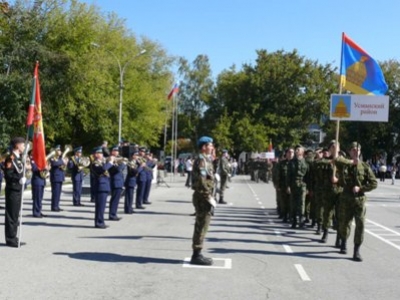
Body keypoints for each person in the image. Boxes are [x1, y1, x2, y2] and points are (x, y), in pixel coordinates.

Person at [334, 142, 377, 262]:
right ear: (349, 152)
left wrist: (361, 188)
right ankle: (343, 241)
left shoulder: (364, 166)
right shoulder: (343, 164)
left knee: (360, 224)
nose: (355, 151)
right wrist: (350, 162)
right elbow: (336, 159)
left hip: (359, 200)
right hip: (346, 198)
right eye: (353, 150)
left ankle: (356, 251)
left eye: (357, 150)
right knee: (344, 223)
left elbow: (374, 183)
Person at [190, 136, 215, 266]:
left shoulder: (206, 160)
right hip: (202, 197)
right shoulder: (202, 160)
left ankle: (198, 252)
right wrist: (208, 197)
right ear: (204, 147)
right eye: (210, 145)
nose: (212, 148)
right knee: (201, 225)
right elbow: (201, 180)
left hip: (204, 196)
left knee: (203, 225)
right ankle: (196, 254)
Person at [3, 137, 29, 247]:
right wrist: (18, 180)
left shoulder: (18, 158)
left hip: (18, 190)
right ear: (17, 146)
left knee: (15, 215)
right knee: (11, 215)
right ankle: (10, 239)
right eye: (23, 145)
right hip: (12, 190)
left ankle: (14, 236)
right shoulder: (10, 158)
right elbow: (8, 175)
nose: (24, 147)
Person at [91, 146, 114, 228]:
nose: (101, 155)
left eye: (101, 153)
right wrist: (110, 162)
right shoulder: (95, 163)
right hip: (100, 186)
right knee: (100, 206)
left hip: (105, 186)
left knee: (102, 206)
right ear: (95, 154)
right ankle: (98, 223)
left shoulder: (102, 162)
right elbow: (104, 169)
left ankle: (101, 221)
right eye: (99, 153)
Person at [287, 145, 309, 229]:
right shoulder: (291, 162)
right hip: (293, 184)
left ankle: (301, 220)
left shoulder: (306, 162)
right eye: (296, 150)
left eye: (298, 150)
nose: (296, 151)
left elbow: (308, 176)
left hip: (302, 184)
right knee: (293, 203)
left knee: (302, 203)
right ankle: (294, 221)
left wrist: (308, 187)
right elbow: (288, 175)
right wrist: (288, 186)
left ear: (302, 152)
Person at [108, 145, 126, 220]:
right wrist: (123, 164)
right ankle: (112, 215)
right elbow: (117, 170)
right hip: (115, 181)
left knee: (116, 199)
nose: (116, 152)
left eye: (117, 151)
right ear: (112, 151)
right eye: (115, 151)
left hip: (119, 181)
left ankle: (113, 213)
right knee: (114, 199)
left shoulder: (119, 159)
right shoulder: (110, 160)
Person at [50, 145, 67, 212]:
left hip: (60, 177)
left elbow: (62, 165)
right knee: (55, 192)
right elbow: (54, 164)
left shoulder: (60, 158)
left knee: (58, 193)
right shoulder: (53, 158)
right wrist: (63, 162)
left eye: (60, 150)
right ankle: (54, 206)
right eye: (59, 150)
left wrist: (63, 163)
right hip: (55, 177)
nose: (60, 152)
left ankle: (56, 205)